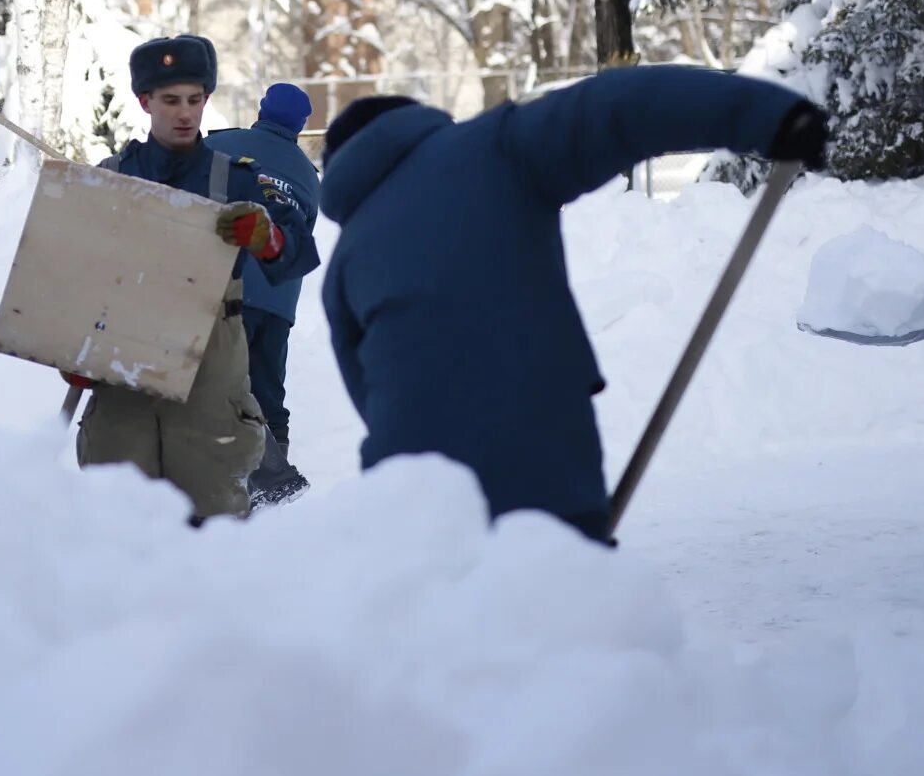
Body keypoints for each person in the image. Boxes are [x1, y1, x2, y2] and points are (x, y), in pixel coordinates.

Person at [319, 69, 825, 543]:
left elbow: (367, 396)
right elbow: (618, 108)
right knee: (561, 620)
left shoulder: (344, 262)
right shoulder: (493, 148)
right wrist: (769, 115)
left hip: (409, 499)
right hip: (540, 465)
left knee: (448, 630)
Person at [71, 36, 321, 522]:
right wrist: (76, 346)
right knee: (119, 507)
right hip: (129, 360)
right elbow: (79, 268)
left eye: (194, 99)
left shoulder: (238, 179)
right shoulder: (116, 175)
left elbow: (293, 253)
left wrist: (266, 236)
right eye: (170, 101)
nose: (184, 113)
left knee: (214, 508)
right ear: (145, 102)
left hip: (211, 362)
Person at [206, 82, 322, 503]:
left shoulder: (223, 143)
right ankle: (274, 487)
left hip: (225, 282)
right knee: (268, 386)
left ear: (262, 108)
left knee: (221, 382)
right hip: (278, 297)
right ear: (301, 124)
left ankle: (267, 482)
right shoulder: (310, 177)